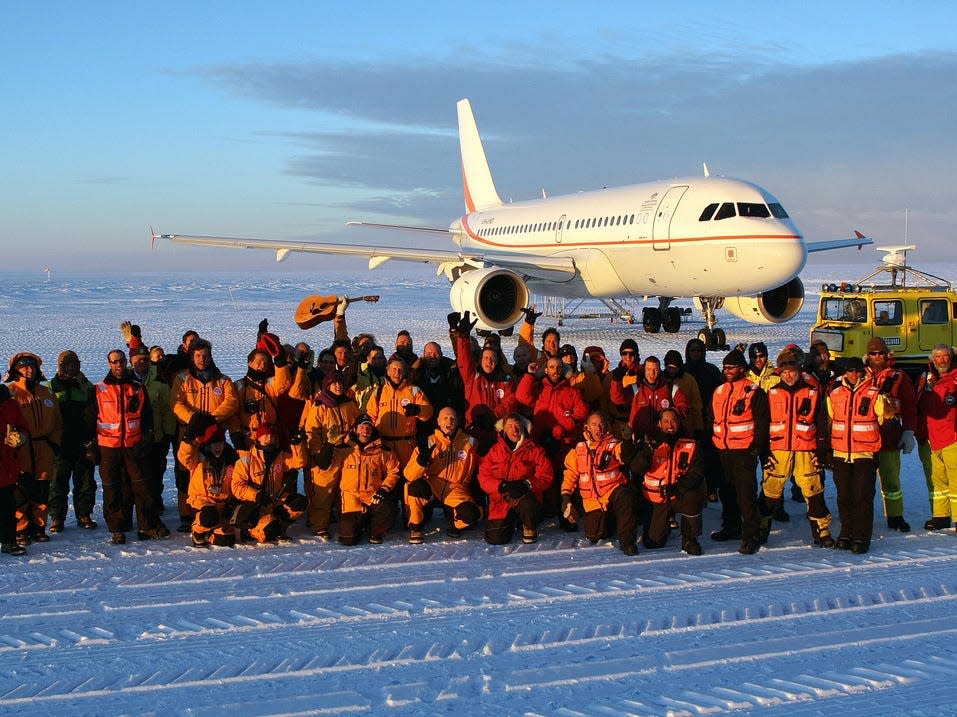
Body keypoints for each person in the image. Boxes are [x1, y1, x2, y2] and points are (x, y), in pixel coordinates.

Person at [761, 349, 834, 548]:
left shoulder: (811, 392)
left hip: (806, 450)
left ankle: (822, 532)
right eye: (784, 372)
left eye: (792, 371)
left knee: (813, 491)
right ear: (779, 373)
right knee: (770, 491)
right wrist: (764, 451)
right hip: (779, 451)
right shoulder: (772, 393)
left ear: (799, 371)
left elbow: (821, 423)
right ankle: (760, 530)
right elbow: (764, 423)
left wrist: (821, 451)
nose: (788, 375)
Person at [95, 350, 168, 545]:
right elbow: (89, 420)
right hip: (108, 447)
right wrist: (91, 447)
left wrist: (146, 439)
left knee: (142, 486)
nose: (118, 365)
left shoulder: (136, 387)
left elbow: (147, 416)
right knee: (113, 489)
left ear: (126, 362)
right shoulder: (99, 389)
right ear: (109, 364)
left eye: (121, 361)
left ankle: (147, 525)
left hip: (133, 445)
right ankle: (118, 528)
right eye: (114, 362)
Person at [170, 338, 239, 533]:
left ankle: (217, 509)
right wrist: (193, 419)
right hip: (190, 433)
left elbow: (231, 401)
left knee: (216, 472)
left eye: (205, 355)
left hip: (214, 434)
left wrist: (213, 418)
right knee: (186, 472)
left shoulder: (222, 380)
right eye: (198, 355)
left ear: (210, 356)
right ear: (192, 357)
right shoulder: (182, 379)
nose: (202, 359)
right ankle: (187, 514)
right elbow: (175, 404)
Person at [708, 348, 770, 555]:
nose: (727, 370)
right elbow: (711, 417)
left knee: (746, 496)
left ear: (741, 368)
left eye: (731, 367)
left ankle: (751, 535)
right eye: (725, 367)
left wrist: (756, 448)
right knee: (727, 493)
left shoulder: (753, 391)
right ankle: (731, 527)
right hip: (723, 451)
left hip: (744, 452)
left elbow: (762, 421)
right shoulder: (719, 391)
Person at [516, 355, 589, 529]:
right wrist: (530, 375)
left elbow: (581, 413)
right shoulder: (539, 388)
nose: (555, 371)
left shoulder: (572, 391)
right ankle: (544, 510)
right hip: (541, 443)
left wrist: (562, 426)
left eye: (558, 367)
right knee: (543, 478)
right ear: (546, 370)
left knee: (564, 479)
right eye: (551, 367)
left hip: (563, 443)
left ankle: (566, 512)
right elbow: (521, 396)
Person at [828, 356, 891, 554]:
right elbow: (830, 420)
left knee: (862, 496)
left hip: (865, 452)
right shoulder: (835, 393)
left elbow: (886, 417)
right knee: (844, 496)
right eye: (851, 371)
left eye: (857, 371)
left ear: (862, 373)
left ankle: (861, 536)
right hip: (841, 453)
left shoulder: (874, 394)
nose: (854, 374)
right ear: (845, 372)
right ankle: (846, 533)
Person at [561, 411, 639, 555]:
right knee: (594, 535)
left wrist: (628, 440)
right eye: (594, 424)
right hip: (593, 502)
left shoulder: (613, 444)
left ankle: (627, 541)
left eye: (601, 424)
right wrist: (566, 497)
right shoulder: (578, 449)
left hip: (613, 492)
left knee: (625, 497)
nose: (599, 428)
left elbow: (624, 453)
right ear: (587, 427)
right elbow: (570, 474)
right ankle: (612, 522)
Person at [632, 407, 706, 555]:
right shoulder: (651, 442)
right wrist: (646, 454)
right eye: (665, 421)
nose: (670, 425)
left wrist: (677, 488)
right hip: (657, 498)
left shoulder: (691, 443)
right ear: (659, 423)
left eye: (673, 420)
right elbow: (635, 469)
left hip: (679, 494)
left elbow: (697, 473)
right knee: (653, 543)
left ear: (679, 422)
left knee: (693, 495)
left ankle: (689, 539)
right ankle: (665, 525)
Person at [6, 352, 62, 545]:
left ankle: (38, 527)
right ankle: (20, 529)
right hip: (20, 449)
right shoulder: (10, 393)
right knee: (20, 490)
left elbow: (57, 423)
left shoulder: (46, 393)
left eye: (32, 366)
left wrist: (55, 444)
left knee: (41, 489)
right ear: (15, 370)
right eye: (24, 366)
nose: (29, 370)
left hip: (44, 447)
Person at [404, 407, 482, 543]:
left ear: (457, 422)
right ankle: (416, 527)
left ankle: (454, 525)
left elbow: (485, 462)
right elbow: (408, 475)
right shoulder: (428, 442)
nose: (449, 421)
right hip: (433, 485)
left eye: (452, 418)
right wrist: (421, 461)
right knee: (414, 487)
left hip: (456, 488)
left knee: (472, 514)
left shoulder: (470, 442)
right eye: (445, 418)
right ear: (438, 422)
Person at [864, 337, 917, 532]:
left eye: (880, 353)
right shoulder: (859, 375)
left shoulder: (899, 376)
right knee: (863, 483)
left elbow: (910, 406)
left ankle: (895, 516)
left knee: (891, 480)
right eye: (873, 353)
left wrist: (909, 431)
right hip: (864, 440)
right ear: (867, 355)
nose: (877, 356)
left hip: (889, 436)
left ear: (887, 355)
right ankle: (863, 517)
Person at [299, 371, 360, 539]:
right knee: (323, 492)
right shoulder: (320, 406)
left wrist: (355, 445)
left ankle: (346, 521)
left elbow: (357, 425)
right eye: (334, 384)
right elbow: (312, 432)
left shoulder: (349, 404)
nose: (338, 386)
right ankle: (319, 525)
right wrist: (318, 453)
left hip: (346, 451)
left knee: (347, 488)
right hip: (327, 452)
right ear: (328, 386)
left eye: (340, 383)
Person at [477, 413, 553, 545]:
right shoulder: (495, 451)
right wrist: (501, 486)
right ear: (504, 429)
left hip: (525, 497)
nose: (515, 429)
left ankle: (528, 525)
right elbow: (483, 476)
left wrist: (528, 484)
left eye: (517, 425)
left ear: (523, 427)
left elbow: (546, 475)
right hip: (501, 500)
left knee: (529, 506)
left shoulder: (535, 450)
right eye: (510, 426)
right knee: (495, 539)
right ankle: (512, 521)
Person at [327, 413, 401, 545]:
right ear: (355, 429)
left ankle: (374, 531)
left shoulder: (382, 450)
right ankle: (361, 522)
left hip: (373, 496)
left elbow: (394, 471)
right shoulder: (344, 449)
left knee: (388, 510)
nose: (365, 431)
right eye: (362, 427)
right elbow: (327, 465)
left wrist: (384, 489)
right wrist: (328, 445)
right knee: (347, 539)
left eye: (368, 428)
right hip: (351, 497)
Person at [230, 421, 307, 543]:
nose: (269, 439)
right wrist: (256, 495)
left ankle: (280, 528)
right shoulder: (246, 459)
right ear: (258, 438)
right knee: (268, 531)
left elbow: (299, 463)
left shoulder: (280, 455)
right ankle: (251, 531)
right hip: (257, 504)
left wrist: (296, 444)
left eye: (271, 436)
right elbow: (237, 486)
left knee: (300, 502)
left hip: (275, 499)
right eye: (265, 436)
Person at [452, 312, 517, 456]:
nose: (489, 362)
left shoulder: (505, 380)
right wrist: (463, 337)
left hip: (497, 432)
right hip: (473, 430)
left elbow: (511, 401)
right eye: (486, 358)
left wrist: (493, 415)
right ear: (481, 360)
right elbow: (463, 359)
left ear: (498, 361)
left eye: (493, 358)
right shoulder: (473, 377)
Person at [48, 350, 98, 532]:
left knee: (85, 481)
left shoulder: (86, 386)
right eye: (67, 365)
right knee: (58, 482)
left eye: (74, 365)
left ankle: (84, 514)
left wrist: (92, 439)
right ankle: (56, 518)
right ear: (61, 367)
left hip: (83, 441)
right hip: (60, 444)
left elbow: (95, 411)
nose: (71, 369)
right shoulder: (51, 388)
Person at [178, 414, 240, 547]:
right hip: (202, 502)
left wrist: (235, 500)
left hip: (224, 503)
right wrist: (188, 436)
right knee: (209, 517)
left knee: (226, 541)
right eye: (214, 443)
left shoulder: (231, 459)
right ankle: (197, 531)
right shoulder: (199, 457)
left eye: (220, 443)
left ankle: (214, 530)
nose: (218, 447)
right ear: (207, 444)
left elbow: (238, 481)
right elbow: (184, 456)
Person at [129, 344, 176, 514]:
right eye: (138, 360)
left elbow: (167, 410)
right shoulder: (126, 381)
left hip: (156, 437)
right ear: (131, 362)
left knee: (156, 474)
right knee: (136, 475)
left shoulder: (159, 381)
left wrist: (167, 434)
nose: (142, 362)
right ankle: (139, 507)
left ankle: (155, 503)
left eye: (145, 359)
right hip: (133, 438)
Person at [365, 356, 433, 472]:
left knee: (406, 476)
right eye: (394, 369)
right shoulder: (380, 391)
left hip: (406, 444)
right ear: (388, 371)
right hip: (384, 445)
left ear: (405, 372)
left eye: (400, 370)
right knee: (386, 477)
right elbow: (370, 416)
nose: (397, 373)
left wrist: (417, 410)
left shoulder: (413, 390)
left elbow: (428, 412)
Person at [916, 344, 957, 532]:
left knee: (955, 479)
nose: (942, 360)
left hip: (953, 436)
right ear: (933, 360)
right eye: (938, 357)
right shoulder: (926, 379)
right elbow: (919, 404)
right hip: (932, 437)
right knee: (937, 479)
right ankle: (941, 516)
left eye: (945, 356)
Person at [0, 385, 29, 556]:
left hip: (6, 463)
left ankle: (8, 541)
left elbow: (22, 426)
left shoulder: (9, 404)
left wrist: (21, 437)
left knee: (7, 504)